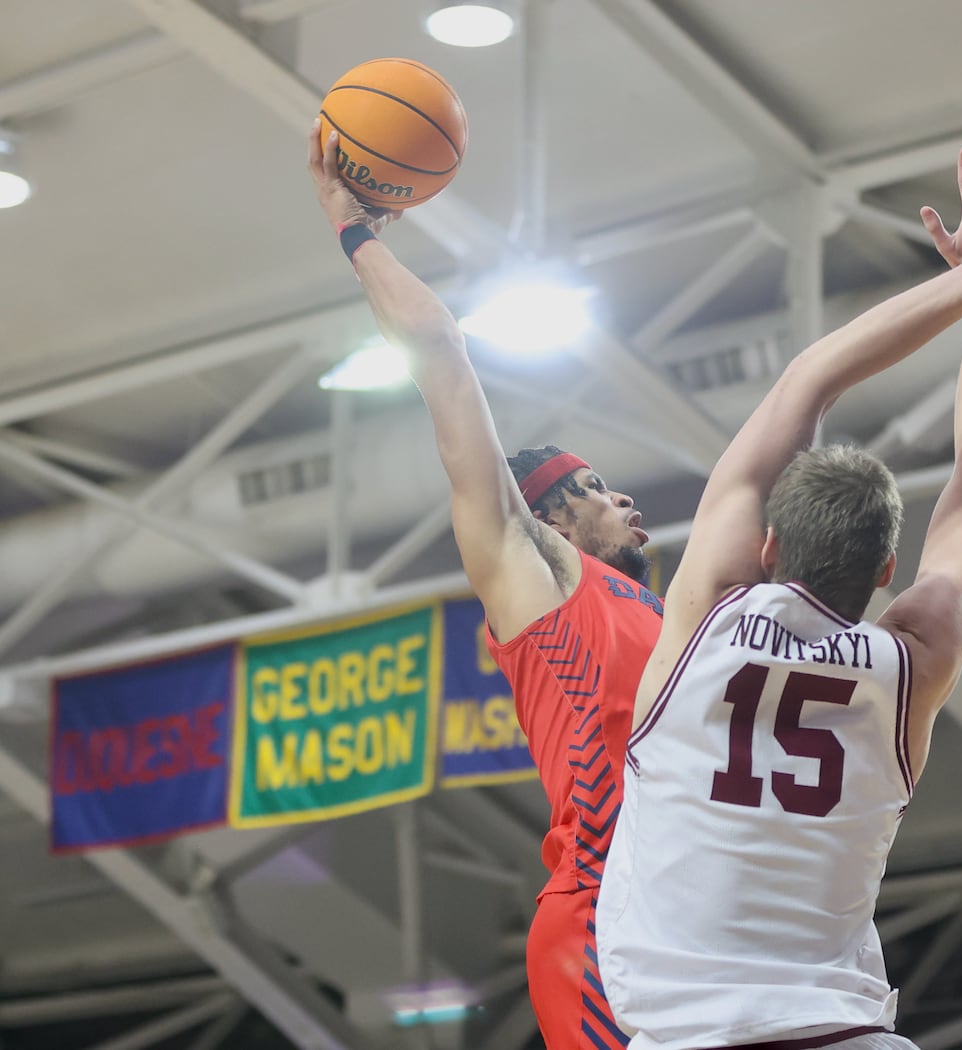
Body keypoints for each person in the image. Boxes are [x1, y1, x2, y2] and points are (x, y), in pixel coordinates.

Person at [596, 144, 962, 1050]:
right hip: (843, 1035)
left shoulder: (709, 611)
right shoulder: (911, 659)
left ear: (763, 547)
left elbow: (811, 378)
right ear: (885, 572)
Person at [306, 119, 655, 1050]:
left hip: (694, 916)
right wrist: (356, 231)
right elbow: (446, 362)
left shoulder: (673, 618)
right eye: (588, 487)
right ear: (546, 519)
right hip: (602, 920)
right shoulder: (538, 573)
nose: (618, 494)